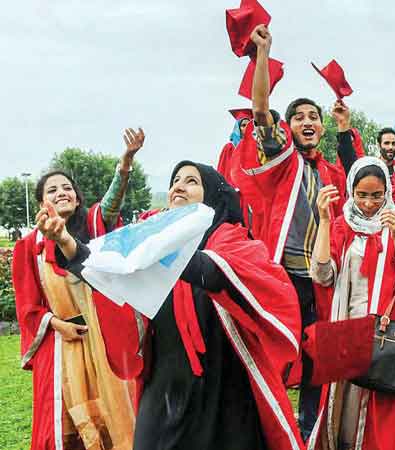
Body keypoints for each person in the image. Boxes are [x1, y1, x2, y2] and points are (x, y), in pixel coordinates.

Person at [51, 160, 304, 450]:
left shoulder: (231, 240)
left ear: (213, 194)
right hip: (166, 381)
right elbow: (110, 274)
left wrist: (160, 248)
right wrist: (67, 242)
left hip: (225, 383)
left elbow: (211, 272)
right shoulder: (150, 240)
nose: (179, 186)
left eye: (192, 181)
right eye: (175, 181)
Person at [230, 25, 366, 440]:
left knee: (316, 359)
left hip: (322, 277)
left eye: (314, 117)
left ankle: (311, 433)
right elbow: (260, 114)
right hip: (283, 277)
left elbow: (361, 184)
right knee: (271, 355)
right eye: (299, 117)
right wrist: (262, 58)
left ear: (321, 129)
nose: (307, 122)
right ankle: (263, 429)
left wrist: (344, 129)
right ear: (288, 128)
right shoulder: (286, 163)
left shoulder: (330, 171)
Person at [12, 128, 145, 450]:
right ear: (42, 201)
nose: (61, 192)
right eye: (53, 189)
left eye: (67, 188)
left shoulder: (95, 228)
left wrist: (125, 162)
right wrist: (58, 325)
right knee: (63, 425)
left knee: (117, 417)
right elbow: (27, 306)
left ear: (78, 197)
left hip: (104, 338)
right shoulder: (28, 248)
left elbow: (112, 201)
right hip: (61, 345)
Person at [307, 157, 395, 450]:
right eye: (362, 195)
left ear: (388, 192)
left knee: (380, 396)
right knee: (345, 401)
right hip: (347, 324)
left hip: (387, 326)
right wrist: (323, 220)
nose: (369, 203)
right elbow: (322, 275)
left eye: (376, 195)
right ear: (350, 191)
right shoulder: (340, 225)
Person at [217, 108, 252, 184]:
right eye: (243, 125)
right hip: (232, 189)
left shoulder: (255, 148)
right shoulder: (229, 147)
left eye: (249, 125)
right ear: (237, 128)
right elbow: (221, 170)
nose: (246, 127)